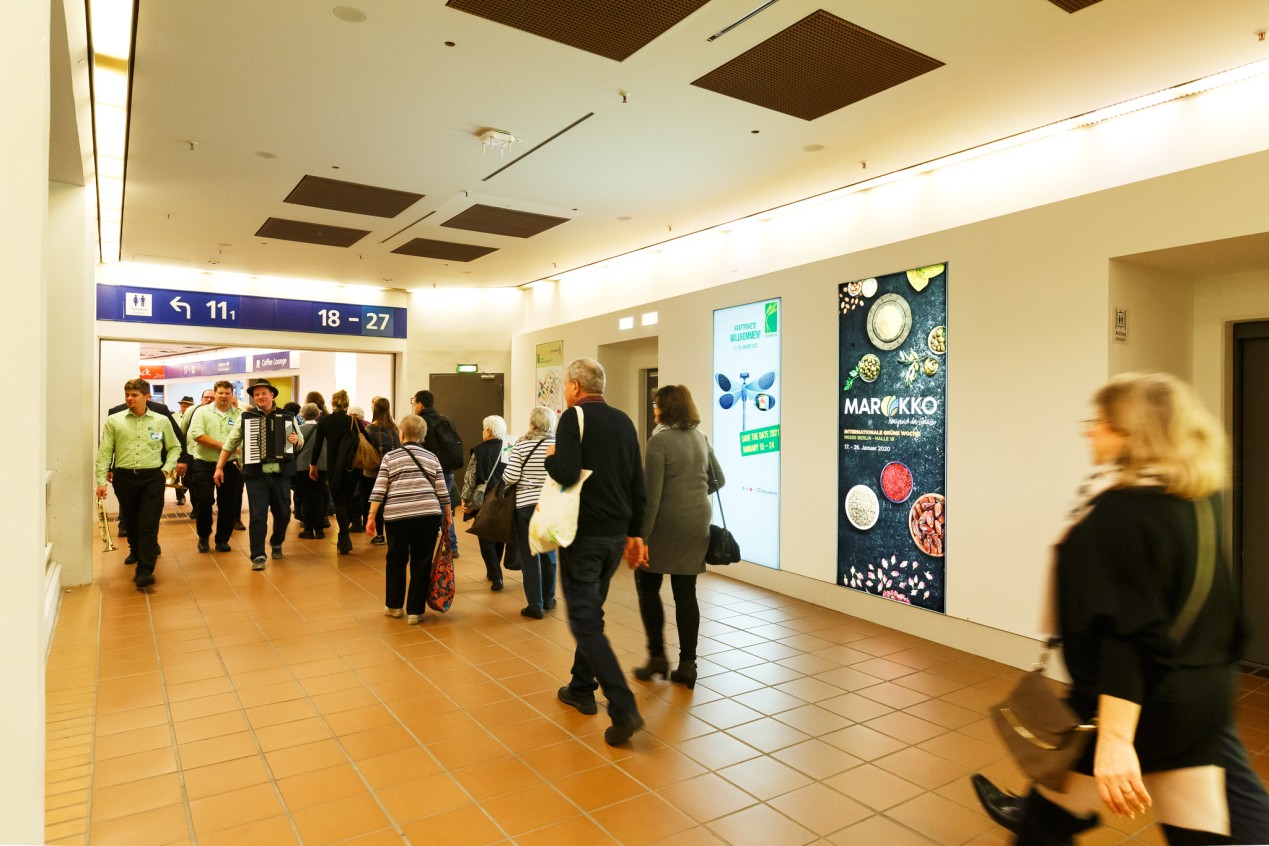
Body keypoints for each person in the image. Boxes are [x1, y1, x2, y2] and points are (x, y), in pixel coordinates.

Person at [982, 373, 1253, 845]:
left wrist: (1114, 739)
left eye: (1100, 422)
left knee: (1045, 824)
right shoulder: (1200, 497)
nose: (1089, 430)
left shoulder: (1120, 513)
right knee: (1219, 824)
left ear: (1131, 432)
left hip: (1137, 704)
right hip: (1200, 694)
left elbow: (1127, 633)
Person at [544, 357, 647, 746]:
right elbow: (637, 481)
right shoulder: (624, 421)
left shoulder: (573, 418)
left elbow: (568, 472)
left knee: (585, 620)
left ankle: (622, 706)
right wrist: (636, 535)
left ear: (574, 386)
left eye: (565, 386)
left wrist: (552, 460)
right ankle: (581, 686)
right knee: (593, 612)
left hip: (583, 536)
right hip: (614, 538)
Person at [631, 385, 724, 691]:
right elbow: (719, 479)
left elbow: (652, 497)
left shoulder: (658, 442)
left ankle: (657, 656)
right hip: (697, 522)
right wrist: (693, 496)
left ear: (665, 408)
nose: (653, 408)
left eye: (656, 404)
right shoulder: (700, 437)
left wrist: (640, 538)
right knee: (686, 592)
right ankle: (688, 665)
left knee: (648, 586)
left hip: (665, 525)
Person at [365, 414, 452, 624]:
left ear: (401, 434)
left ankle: (394, 606)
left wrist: (371, 516)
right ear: (423, 436)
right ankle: (415, 611)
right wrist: (448, 515)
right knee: (421, 562)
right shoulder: (432, 458)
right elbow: (442, 491)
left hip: (397, 517)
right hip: (428, 515)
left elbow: (380, 488)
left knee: (396, 560)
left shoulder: (390, 458)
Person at [94, 378, 180, 589]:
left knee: (148, 524)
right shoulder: (114, 421)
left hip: (153, 477)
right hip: (125, 478)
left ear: (147, 397)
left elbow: (175, 447)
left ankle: (145, 570)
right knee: (131, 522)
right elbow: (105, 452)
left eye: (135, 395)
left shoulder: (161, 420)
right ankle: (136, 550)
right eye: (127, 395)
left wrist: (165, 470)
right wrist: (100, 480)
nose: (130, 399)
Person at [214, 380, 302, 571]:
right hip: (256, 475)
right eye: (256, 395)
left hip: (281, 474)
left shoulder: (287, 416)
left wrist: (296, 440)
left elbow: (299, 440)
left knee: (284, 513)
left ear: (272, 395)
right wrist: (219, 467)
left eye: (263, 393)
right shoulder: (247, 416)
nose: (260, 397)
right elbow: (231, 443)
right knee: (257, 515)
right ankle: (258, 555)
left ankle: (277, 541)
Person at [501, 406, 557, 619]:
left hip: (526, 506)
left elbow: (511, 476)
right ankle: (549, 598)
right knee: (549, 553)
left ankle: (535, 605)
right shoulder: (558, 444)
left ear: (532, 424)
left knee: (530, 555)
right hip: (550, 504)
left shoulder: (522, 445)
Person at [186, 380, 243, 553]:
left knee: (228, 504)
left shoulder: (240, 415)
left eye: (227, 393)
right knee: (203, 501)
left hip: (230, 465)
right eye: (220, 393)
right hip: (204, 463)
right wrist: (224, 446)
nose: (224, 396)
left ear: (232, 395)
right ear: (215, 394)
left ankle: (222, 540)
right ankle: (204, 536)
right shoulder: (201, 412)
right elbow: (197, 435)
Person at [459, 415, 511, 590]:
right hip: (504, 498)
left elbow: (470, 477)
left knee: (485, 538)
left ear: (489, 432)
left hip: (485, 500)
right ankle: (494, 572)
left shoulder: (479, 450)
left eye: (483, 429)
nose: (482, 432)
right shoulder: (509, 448)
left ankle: (496, 576)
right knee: (499, 535)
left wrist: (465, 499)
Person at [308, 389, 360, 554]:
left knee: (339, 502)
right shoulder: (353, 421)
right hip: (352, 467)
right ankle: (347, 530)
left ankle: (344, 536)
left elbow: (317, 446)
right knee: (349, 499)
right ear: (347, 403)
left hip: (333, 467)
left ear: (332, 403)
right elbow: (367, 440)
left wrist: (313, 465)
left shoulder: (324, 422)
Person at [412, 390, 461, 556]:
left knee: (429, 508)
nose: (413, 406)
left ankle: (435, 543)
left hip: (428, 471)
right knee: (444, 506)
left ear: (420, 404)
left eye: (414, 402)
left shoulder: (420, 422)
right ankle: (451, 544)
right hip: (447, 470)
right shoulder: (445, 420)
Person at [364, 397, 402, 545]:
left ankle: (380, 535)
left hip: (373, 473)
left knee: (377, 503)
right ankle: (393, 534)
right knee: (391, 503)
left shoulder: (370, 429)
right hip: (394, 471)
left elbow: (366, 450)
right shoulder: (395, 429)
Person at [182, 389, 215, 518]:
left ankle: (207, 505)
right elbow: (182, 431)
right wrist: (182, 455)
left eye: (212, 398)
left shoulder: (218, 413)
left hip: (213, 455)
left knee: (209, 483)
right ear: (201, 399)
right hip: (192, 453)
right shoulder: (192, 410)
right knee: (193, 483)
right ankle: (196, 507)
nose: (208, 400)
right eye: (206, 397)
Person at [294, 403, 324, 539]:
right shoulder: (323, 429)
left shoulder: (299, 430)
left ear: (302, 415)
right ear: (318, 414)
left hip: (303, 467)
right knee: (319, 497)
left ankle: (308, 530)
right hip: (322, 466)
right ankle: (319, 530)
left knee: (306, 498)